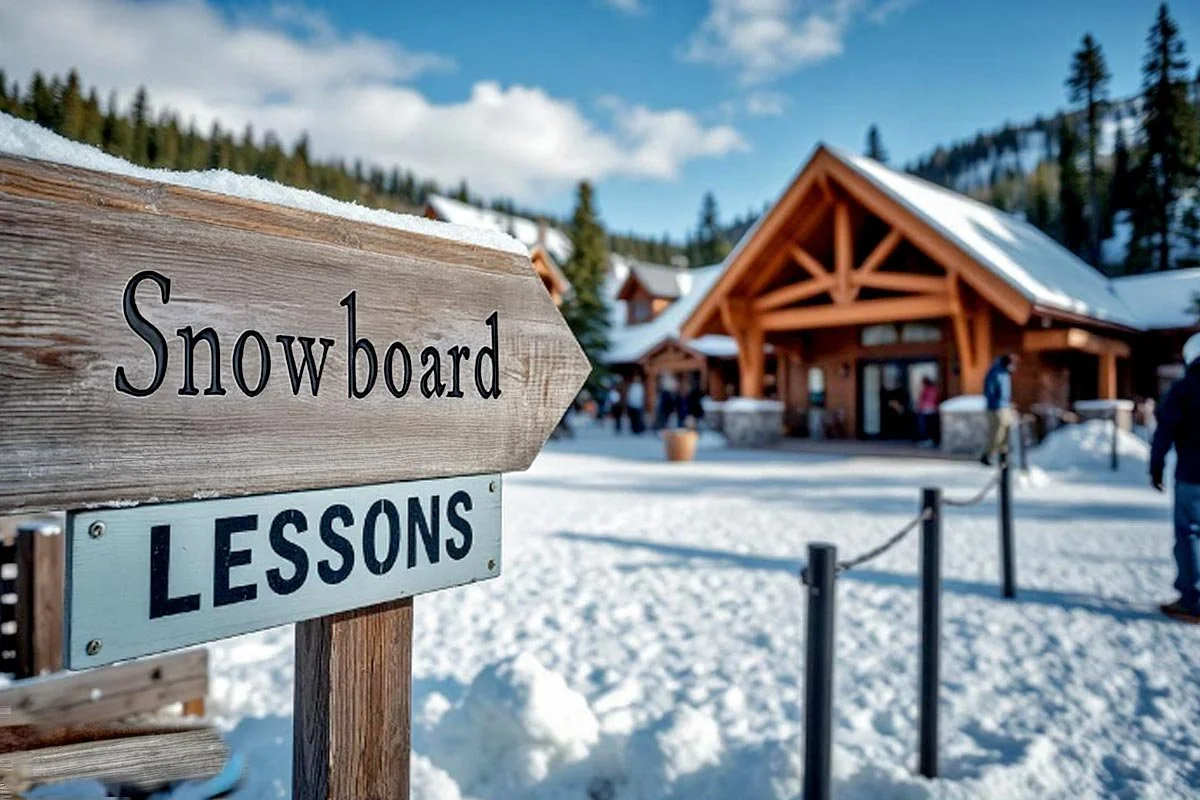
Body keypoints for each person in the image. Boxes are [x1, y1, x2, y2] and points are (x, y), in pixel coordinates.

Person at [1150, 332, 1200, 624]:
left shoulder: (1183, 389)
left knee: (1189, 533)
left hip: (1192, 475)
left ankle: (1192, 600)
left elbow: (1165, 431)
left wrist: (1156, 466)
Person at [981, 353, 1019, 466]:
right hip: (996, 408)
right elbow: (990, 391)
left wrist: (1009, 404)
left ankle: (1003, 457)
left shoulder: (1005, 374)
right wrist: (997, 403)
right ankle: (987, 455)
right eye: (1012, 364)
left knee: (1006, 432)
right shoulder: (995, 373)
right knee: (997, 433)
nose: (1014, 367)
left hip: (1005, 406)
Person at [916, 376, 940, 446]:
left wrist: (919, 407)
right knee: (930, 426)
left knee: (925, 426)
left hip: (926, 410)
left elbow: (922, 399)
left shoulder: (927, 390)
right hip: (932, 409)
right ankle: (930, 440)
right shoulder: (934, 389)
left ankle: (928, 440)